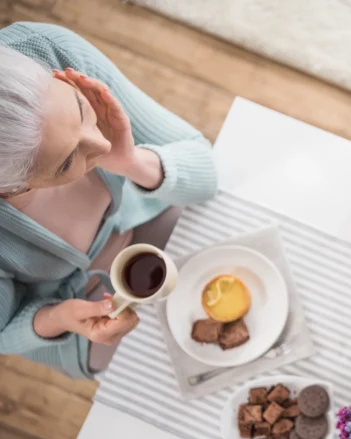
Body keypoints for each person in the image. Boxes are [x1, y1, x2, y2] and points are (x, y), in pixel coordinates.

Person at [0, 22, 217, 378]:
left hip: (151, 212)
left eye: (81, 109)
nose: (102, 145)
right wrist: (61, 317)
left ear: (59, 77)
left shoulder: (47, 48)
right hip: (81, 312)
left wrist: (132, 162)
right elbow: (4, 330)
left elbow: (204, 171)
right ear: (14, 190)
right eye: (68, 161)